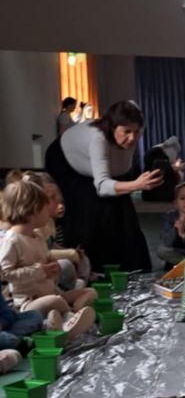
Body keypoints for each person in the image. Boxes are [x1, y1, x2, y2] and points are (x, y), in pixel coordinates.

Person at [45, 100, 163, 272]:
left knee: (123, 212)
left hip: (99, 167)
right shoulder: (99, 138)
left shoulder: (130, 134)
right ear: (113, 127)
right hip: (65, 162)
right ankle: (89, 267)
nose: (132, 138)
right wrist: (136, 184)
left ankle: (133, 267)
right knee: (91, 209)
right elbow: (101, 187)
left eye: (136, 132)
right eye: (127, 132)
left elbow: (131, 106)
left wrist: (132, 185)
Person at [0, 177, 96, 341]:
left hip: (53, 292)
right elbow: (5, 274)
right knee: (54, 301)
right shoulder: (12, 240)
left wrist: (54, 267)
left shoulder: (37, 236)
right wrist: (40, 271)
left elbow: (47, 263)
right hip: (29, 302)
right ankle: (70, 319)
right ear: (33, 210)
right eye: (46, 207)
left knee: (90, 292)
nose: (49, 212)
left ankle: (70, 317)